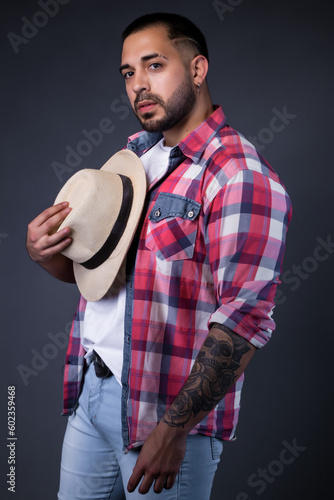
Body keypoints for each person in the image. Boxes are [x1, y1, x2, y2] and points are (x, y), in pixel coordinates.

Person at [26, 12, 292, 500]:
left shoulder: (239, 176)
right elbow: (114, 277)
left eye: (154, 65)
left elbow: (246, 320)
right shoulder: (135, 162)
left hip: (164, 415)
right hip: (93, 391)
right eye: (128, 72)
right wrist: (47, 256)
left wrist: (173, 431)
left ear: (197, 69)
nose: (138, 85)